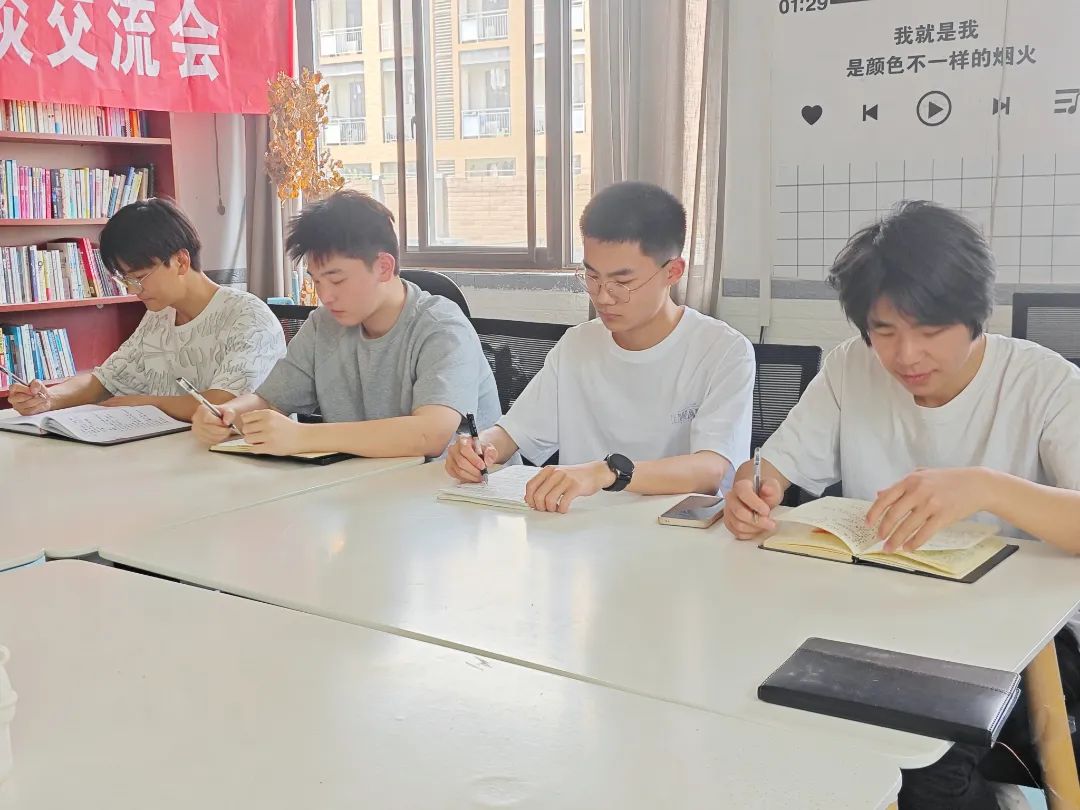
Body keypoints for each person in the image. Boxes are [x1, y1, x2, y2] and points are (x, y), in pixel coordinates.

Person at [722, 200, 1080, 810]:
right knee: (756, 698)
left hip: (1023, 640)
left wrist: (988, 488)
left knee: (921, 761)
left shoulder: (1044, 384)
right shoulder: (849, 368)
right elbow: (773, 468)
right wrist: (755, 488)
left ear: (976, 315)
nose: (906, 355)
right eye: (884, 332)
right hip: (879, 621)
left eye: (930, 331)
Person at [444, 180, 755, 512]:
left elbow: (710, 470)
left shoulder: (723, 351)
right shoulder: (578, 345)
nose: (603, 297)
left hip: (676, 531)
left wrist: (607, 473)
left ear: (673, 272)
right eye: (592, 277)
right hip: (581, 529)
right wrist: (478, 449)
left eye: (622, 282)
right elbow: (512, 434)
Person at [191, 190, 501, 459]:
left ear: (383, 267)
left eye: (337, 279)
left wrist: (302, 437)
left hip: (461, 494)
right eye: (316, 281)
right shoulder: (323, 324)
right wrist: (230, 413)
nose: (325, 296)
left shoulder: (441, 327)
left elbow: (430, 435)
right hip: (368, 487)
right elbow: (270, 401)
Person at [8, 198, 285, 421]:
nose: (133, 290)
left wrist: (145, 404)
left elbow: (222, 404)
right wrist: (48, 398)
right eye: (126, 280)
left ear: (181, 261)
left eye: (139, 277)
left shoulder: (248, 317)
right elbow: (104, 381)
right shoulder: (159, 316)